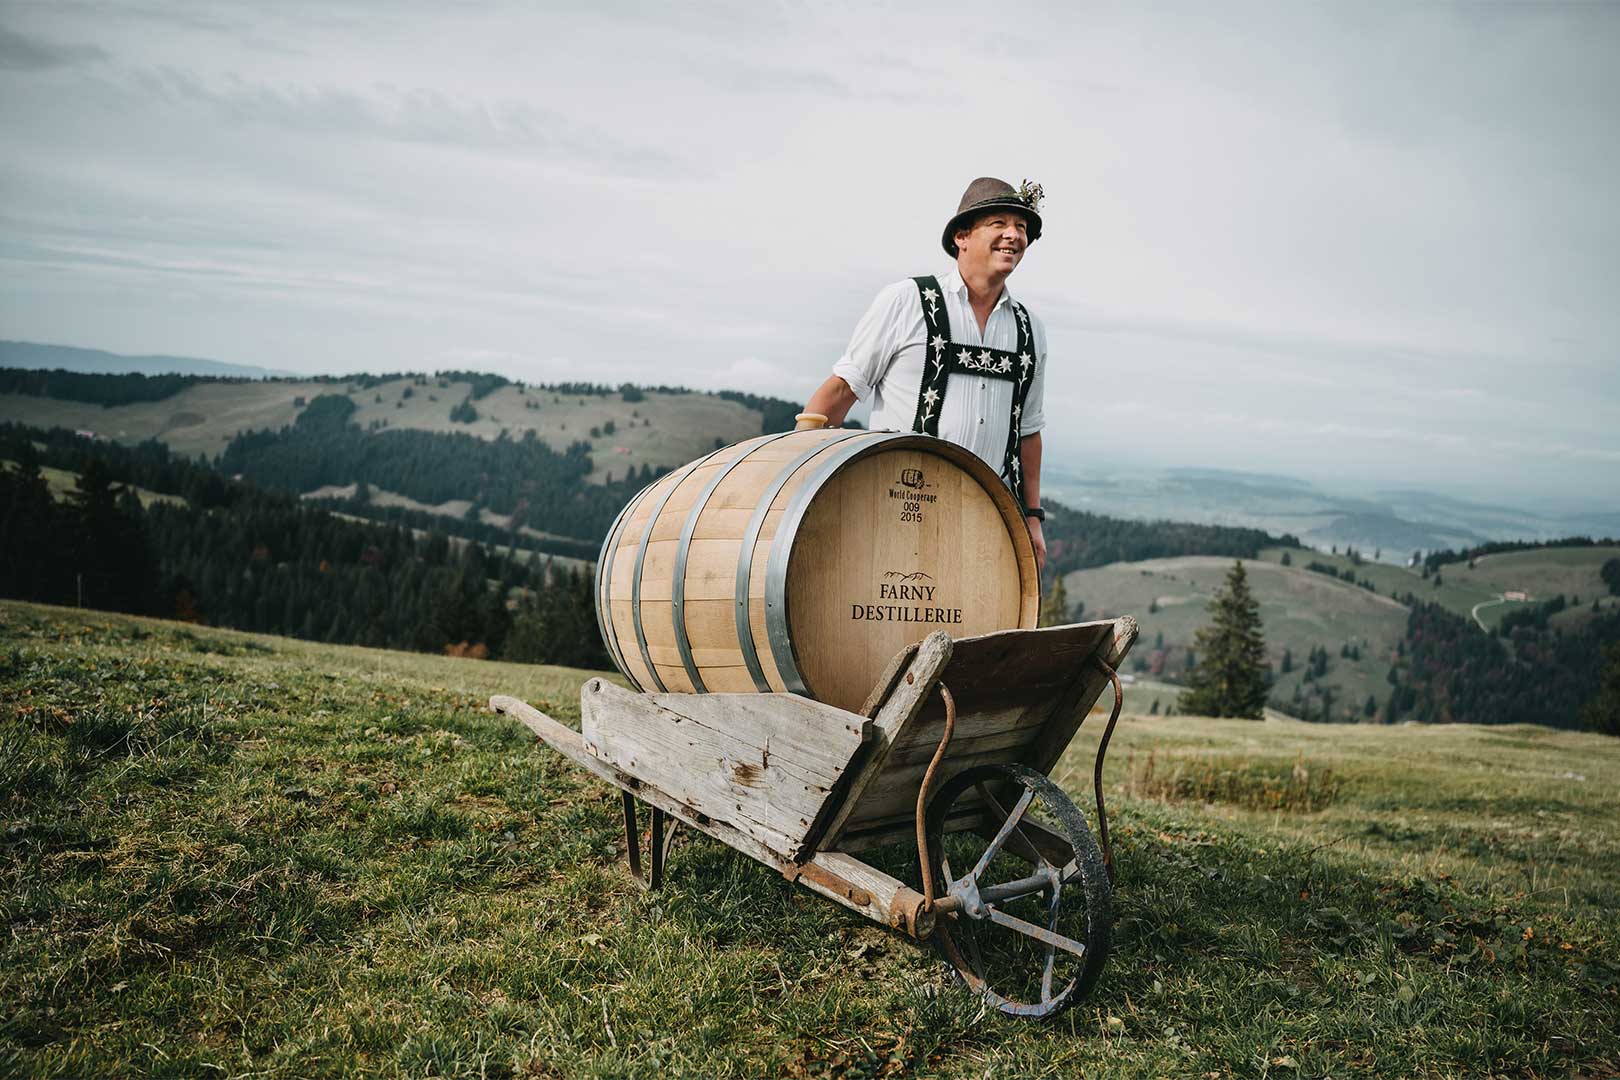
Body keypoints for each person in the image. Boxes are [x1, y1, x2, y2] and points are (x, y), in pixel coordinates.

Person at [798, 176, 1050, 569]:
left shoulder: (1029, 327)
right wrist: (796, 484)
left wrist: (1032, 518)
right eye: (998, 223)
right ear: (962, 237)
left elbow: (1028, 431)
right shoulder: (907, 301)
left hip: (989, 518)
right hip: (898, 509)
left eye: (1020, 227)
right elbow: (843, 389)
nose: (1013, 235)